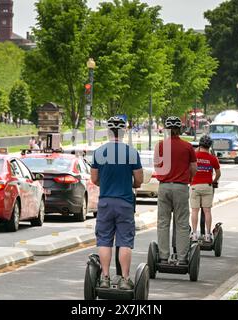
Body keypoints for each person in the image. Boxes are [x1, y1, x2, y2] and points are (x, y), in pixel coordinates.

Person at [91, 116, 144, 290]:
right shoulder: (131, 152)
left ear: (108, 131)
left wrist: (105, 183)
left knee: (105, 240)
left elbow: (94, 179)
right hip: (125, 202)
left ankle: (105, 277)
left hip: (105, 201)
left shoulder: (99, 152)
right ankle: (124, 279)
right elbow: (139, 179)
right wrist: (131, 184)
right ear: (124, 132)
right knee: (125, 241)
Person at [154, 116, 197, 265]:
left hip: (164, 186)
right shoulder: (188, 147)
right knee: (182, 223)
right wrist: (188, 178)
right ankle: (182, 257)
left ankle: (163, 256)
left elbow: (157, 166)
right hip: (181, 187)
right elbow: (193, 168)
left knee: (163, 222)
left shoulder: (160, 146)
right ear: (180, 129)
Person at [189, 135, 221, 242]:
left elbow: (189, 169)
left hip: (195, 186)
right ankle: (208, 234)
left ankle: (194, 233)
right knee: (207, 211)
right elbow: (218, 173)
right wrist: (214, 181)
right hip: (207, 186)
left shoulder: (194, 156)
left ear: (200, 144)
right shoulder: (213, 158)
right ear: (210, 146)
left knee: (194, 211)